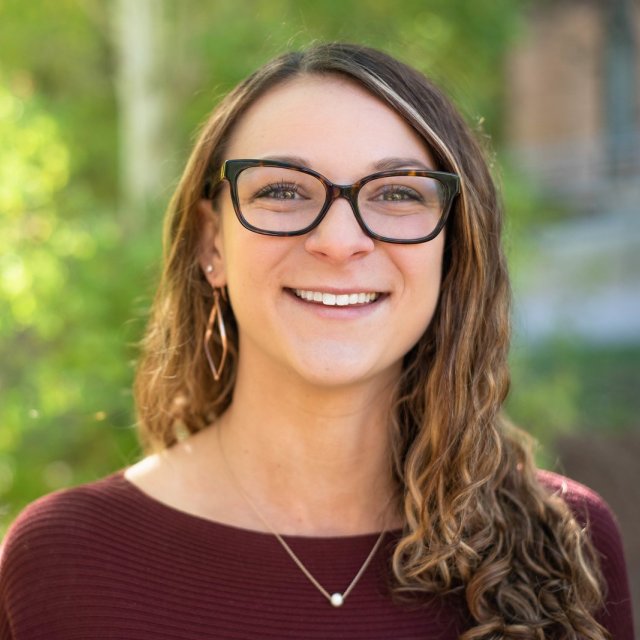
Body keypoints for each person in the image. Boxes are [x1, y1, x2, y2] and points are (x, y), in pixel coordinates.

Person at [0, 42, 634, 640]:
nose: (338, 240)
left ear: (452, 246)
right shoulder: (62, 559)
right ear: (211, 243)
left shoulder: (565, 539)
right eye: (281, 190)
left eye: (396, 193)